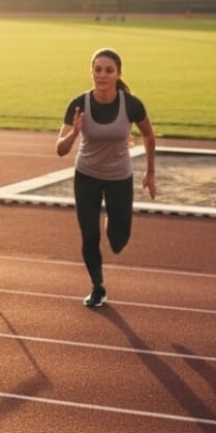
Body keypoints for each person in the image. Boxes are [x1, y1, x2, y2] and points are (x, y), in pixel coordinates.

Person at [55, 48, 156, 307]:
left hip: (119, 177)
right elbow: (60, 149)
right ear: (91, 72)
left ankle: (113, 218)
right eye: (98, 69)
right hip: (86, 175)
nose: (102, 75)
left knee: (118, 240)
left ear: (118, 74)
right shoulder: (78, 104)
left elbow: (148, 135)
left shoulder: (131, 104)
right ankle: (97, 286)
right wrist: (75, 133)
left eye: (109, 70)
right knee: (89, 235)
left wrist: (150, 171)